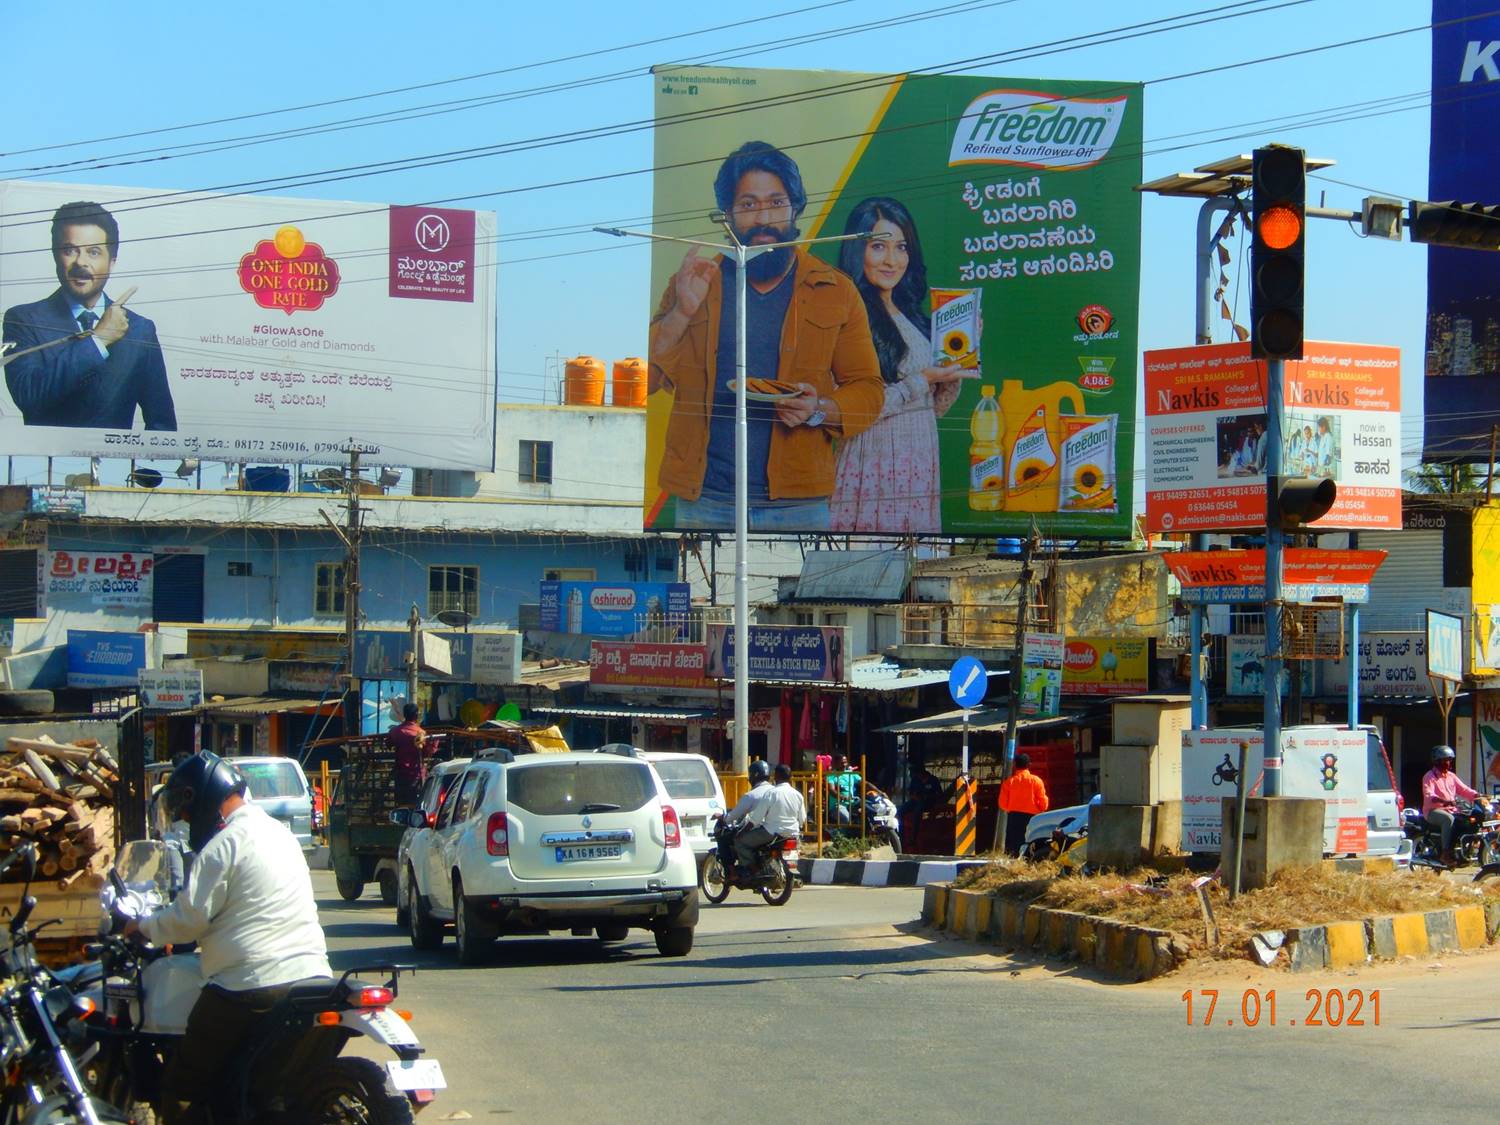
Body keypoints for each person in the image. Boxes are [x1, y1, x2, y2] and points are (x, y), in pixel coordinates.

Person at [648, 141, 884, 532]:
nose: (763, 218)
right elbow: (648, 380)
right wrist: (682, 312)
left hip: (798, 505)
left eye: (776, 203)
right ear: (727, 215)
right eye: (748, 205)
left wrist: (819, 408)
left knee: (793, 598)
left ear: (795, 209)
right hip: (705, 499)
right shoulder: (694, 282)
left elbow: (869, 392)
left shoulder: (834, 289)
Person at [124, 751, 331, 1124]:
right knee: (264, 1084)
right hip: (311, 976)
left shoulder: (224, 844)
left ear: (200, 797)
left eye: (186, 812)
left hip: (249, 984)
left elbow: (189, 919)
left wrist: (144, 927)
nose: (186, 822)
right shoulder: (279, 835)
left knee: (181, 1086)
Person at [829, 197, 965, 533]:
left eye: (901, 247)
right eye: (878, 247)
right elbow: (847, 409)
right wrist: (920, 380)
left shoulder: (912, 316)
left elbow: (933, 408)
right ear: (855, 250)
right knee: (872, 565)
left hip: (918, 457)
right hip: (873, 461)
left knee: (917, 574)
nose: (892, 260)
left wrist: (955, 365)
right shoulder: (845, 315)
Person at [3, 201, 176, 430]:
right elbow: (28, 397)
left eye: (93, 252)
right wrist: (99, 340)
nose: (81, 262)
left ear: (112, 262)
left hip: (115, 464)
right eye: (69, 250)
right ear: (56, 256)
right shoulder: (23, 319)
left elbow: (161, 422)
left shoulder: (140, 328)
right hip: (50, 463)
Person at [1423, 744, 1488, 867]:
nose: (1447, 762)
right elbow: (1428, 795)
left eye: (1449, 760)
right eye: (1444, 760)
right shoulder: (1429, 777)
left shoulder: (1451, 776)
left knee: (1467, 820)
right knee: (1448, 819)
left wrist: (1479, 795)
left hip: (1452, 809)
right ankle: (1446, 853)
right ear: (1437, 761)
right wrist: (1443, 801)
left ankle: (1462, 850)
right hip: (1434, 811)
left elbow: (1464, 790)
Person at [737, 762, 807, 869]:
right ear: (790, 777)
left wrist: (743, 832)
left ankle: (750, 869)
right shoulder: (798, 795)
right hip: (792, 834)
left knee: (740, 842)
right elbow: (802, 819)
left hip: (771, 833)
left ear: (776, 776)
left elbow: (756, 818)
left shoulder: (771, 793)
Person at [724, 759, 774, 868]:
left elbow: (734, 816)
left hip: (763, 831)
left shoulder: (751, 795)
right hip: (779, 832)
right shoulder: (775, 791)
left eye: (750, 775)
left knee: (739, 841)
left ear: (754, 776)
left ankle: (748, 869)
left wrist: (724, 818)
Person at [998, 753, 1049, 855]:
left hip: (1014, 817)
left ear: (1015, 765)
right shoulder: (1036, 781)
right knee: (1031, 842)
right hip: (1032, 817)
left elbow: (1002, 803)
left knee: (1014, 845)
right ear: (1029, 765)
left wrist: (1011, 808)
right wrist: (1039, 810)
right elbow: (1043, 802)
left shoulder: (1009, 782)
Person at [389, 703, 428, 805]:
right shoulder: (421, 733)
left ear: (404, 714)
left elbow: (388, 743)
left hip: (401, 775)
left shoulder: (396, 731)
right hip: (416, 775)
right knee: (416, 805)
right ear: (416, 715)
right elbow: (427, 752)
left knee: (401, 804)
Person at [898, 766, 945, 846]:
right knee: (900, 810)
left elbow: (939, 794)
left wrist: (930, 797)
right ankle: (900, 836)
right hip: (915, 801)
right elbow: (911, 793)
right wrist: (915, 797)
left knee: (917, 812)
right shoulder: (915, 780)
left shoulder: (933, 780)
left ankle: (913, 838)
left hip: (928, 803)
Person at [825, 753, 862, 827]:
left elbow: (865, 783)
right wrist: (841, 796)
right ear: (835, 763)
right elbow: (831, 789)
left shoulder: (851, 773)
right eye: (842, 763)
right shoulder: (831, 776)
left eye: (845, 762)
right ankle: (840, 837)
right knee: (846, 819)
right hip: (838, 805)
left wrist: (879, 792)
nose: (844, 765)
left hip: (853, 803)